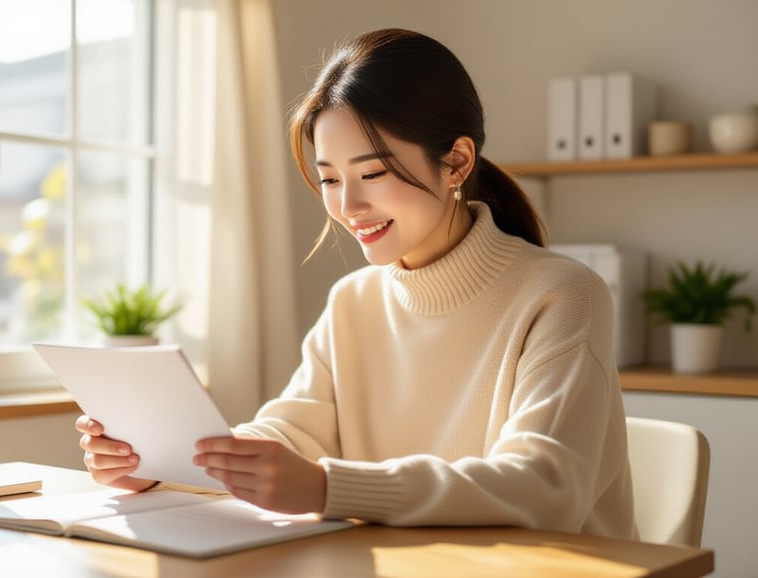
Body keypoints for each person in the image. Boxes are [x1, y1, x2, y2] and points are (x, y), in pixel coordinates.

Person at [76, 28, 636, 539]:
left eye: (372, 174)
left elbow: (545, 486)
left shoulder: (563, 294)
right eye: (329, 179)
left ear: (457, 162)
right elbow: (292, 432)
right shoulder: (353, 302)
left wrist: (328, 489)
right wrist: (159, 464)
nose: (347, 205)